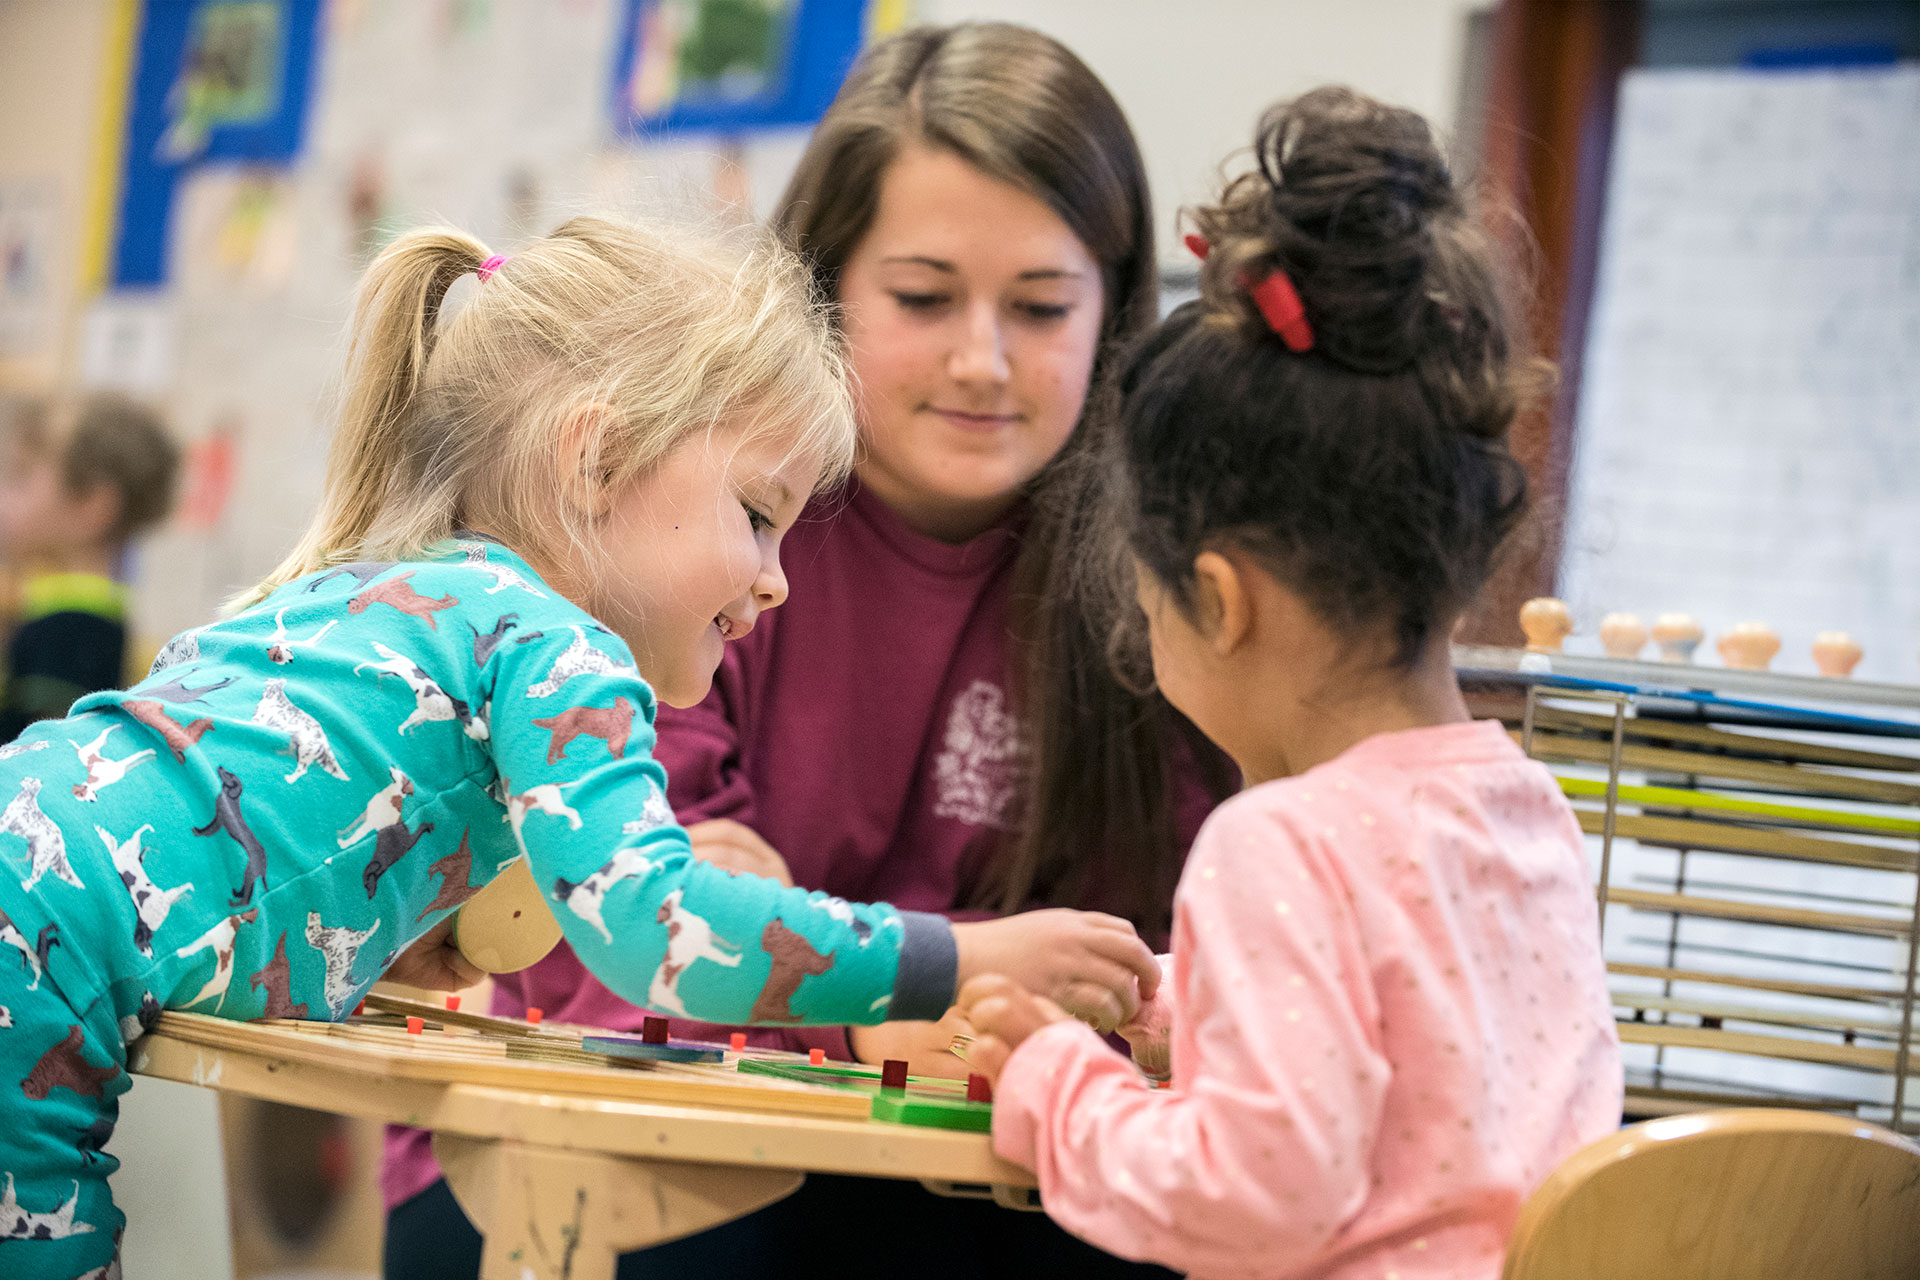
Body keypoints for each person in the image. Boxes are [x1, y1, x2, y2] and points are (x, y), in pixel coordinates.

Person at [0, 215, 1160, 1280]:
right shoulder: (558, 649)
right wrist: (965, 956)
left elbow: (216, 812)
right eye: (757, 513)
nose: (777, 577)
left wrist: (374, 929)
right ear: (595, 459)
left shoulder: (375, 588)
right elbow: (668, 941)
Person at [383, 22, 1235, 1280]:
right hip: (609, 1131)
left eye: (1043, 306)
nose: (981, 359)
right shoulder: (681, 519)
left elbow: (1140, 973)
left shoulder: (1161, 580)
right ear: (823, 291)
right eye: (924, 296)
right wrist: (959, 971)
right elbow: (649, 954)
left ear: (1115, 309)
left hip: (988, 1147)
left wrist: (807, 946)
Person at [957, 87, 1625, 1280]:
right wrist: (1167, 1004)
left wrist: (1055, 1080)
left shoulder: (1275, 844)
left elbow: (1247, 1198)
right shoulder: (1529, 811)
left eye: (1153, 602)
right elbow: (1418, 1074)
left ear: (1220, 597)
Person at [0, 393, 179, 742]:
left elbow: (40, 755)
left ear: (93, 505)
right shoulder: (56, 609)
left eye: (20, 479)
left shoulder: (75, 625)